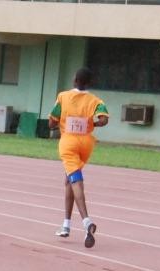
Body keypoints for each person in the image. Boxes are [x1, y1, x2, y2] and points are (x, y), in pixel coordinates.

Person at [49, 67, 109, 248]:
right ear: (89, 83)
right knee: (69, 180)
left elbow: (52, 121)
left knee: (76, 183)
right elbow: (104, 119)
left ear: (74, 79)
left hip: (68, 143)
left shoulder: (63, 97)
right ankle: (66, 225)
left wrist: (57, 123)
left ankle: (86, 222)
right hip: (86, 144)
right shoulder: (96, 101)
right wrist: (92, 123)